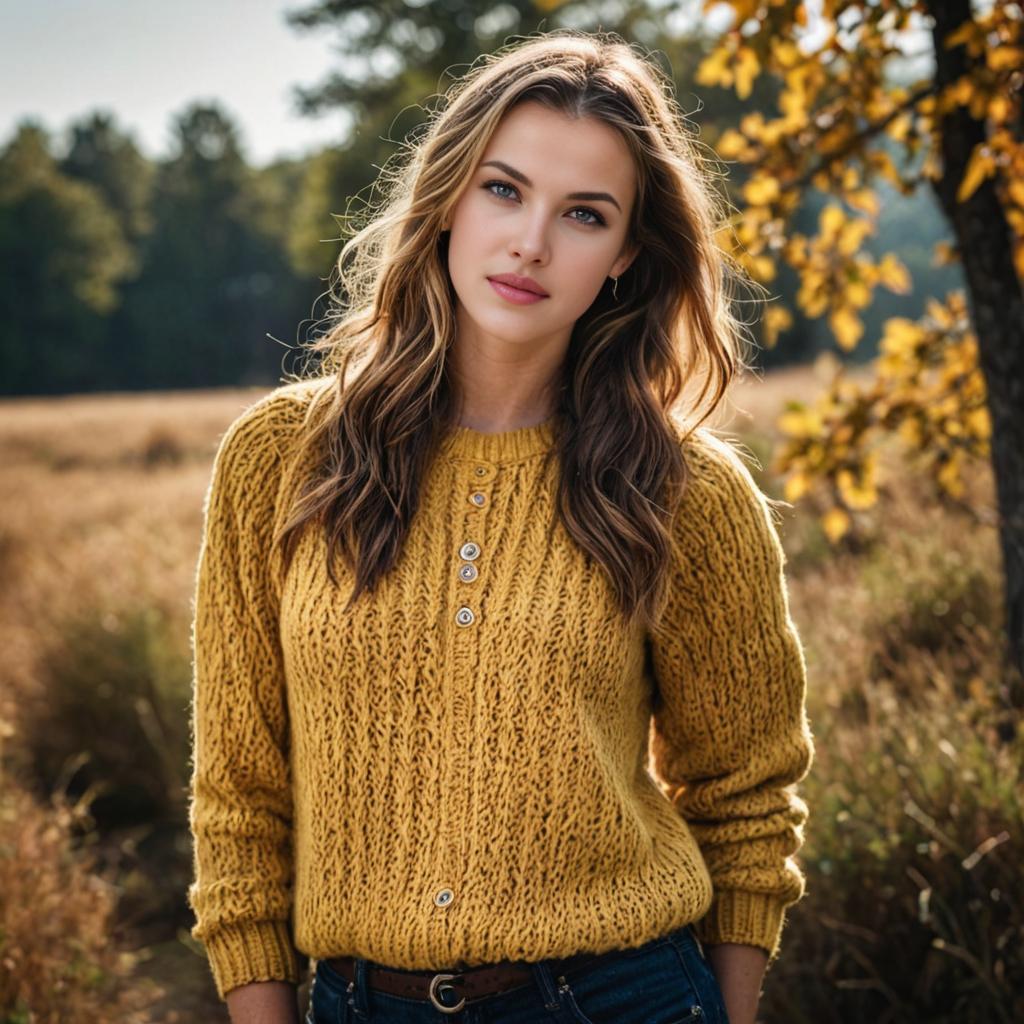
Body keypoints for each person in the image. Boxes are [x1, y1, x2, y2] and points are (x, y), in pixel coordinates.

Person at [186, 28, 815, 1024]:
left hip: (620, 996)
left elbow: (745, 798)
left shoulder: (684, 489)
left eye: (585, 215)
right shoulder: (280, 459)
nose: (530, 242)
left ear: (623, 257)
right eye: (503, 190)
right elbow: (238, 797)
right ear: (445, 200)